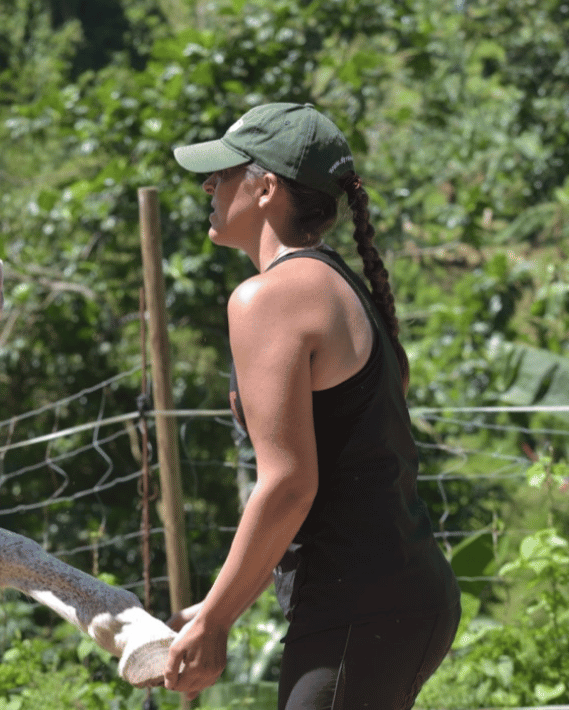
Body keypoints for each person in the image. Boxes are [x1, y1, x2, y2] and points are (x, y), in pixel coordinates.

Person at [162, 103, 461, 709]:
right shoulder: (335, 282)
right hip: (399, 595)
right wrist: (223, 601)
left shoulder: (269, 298)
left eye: (224, 171)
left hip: (360, 610)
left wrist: (217, 622)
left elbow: (290, 483)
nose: (207, 184)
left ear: (266, 187)